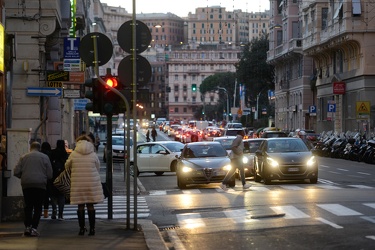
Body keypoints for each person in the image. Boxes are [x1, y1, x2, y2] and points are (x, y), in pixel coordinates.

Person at [65, 135, 104, 236]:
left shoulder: (74, 154)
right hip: (91, 183)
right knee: (90, 205)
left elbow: (67, 166)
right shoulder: (93, 154)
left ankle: (82, 229)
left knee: (80, 205)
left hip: (78, 183)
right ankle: (92, 229)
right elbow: (97, 167)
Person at [13, 141, 53, 237]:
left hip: (27, 184)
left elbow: (16, 171)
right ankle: (34, 228)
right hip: (40, 185)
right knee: (38, 206)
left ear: (30, 148)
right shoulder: (45, 157)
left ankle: (27, 226)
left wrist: (22, 177)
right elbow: (50, 174)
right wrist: (43, 178)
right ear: (39, 148)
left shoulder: (24, 157)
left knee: (28, 206)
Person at [50, 140, 69, 220]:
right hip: (62, 177)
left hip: (53, 176)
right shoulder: (65, 154)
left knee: (53, 195)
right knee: (61, 195)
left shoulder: (52, 153)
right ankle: (60, 214)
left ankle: (54, 209)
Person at [41, 142, 53, 219]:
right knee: (46, 196)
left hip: (40, 177)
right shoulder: (50, 154)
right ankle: (46, 212)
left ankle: (38, 211)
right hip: (47, 178)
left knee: (39, 196)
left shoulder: (40, 154)